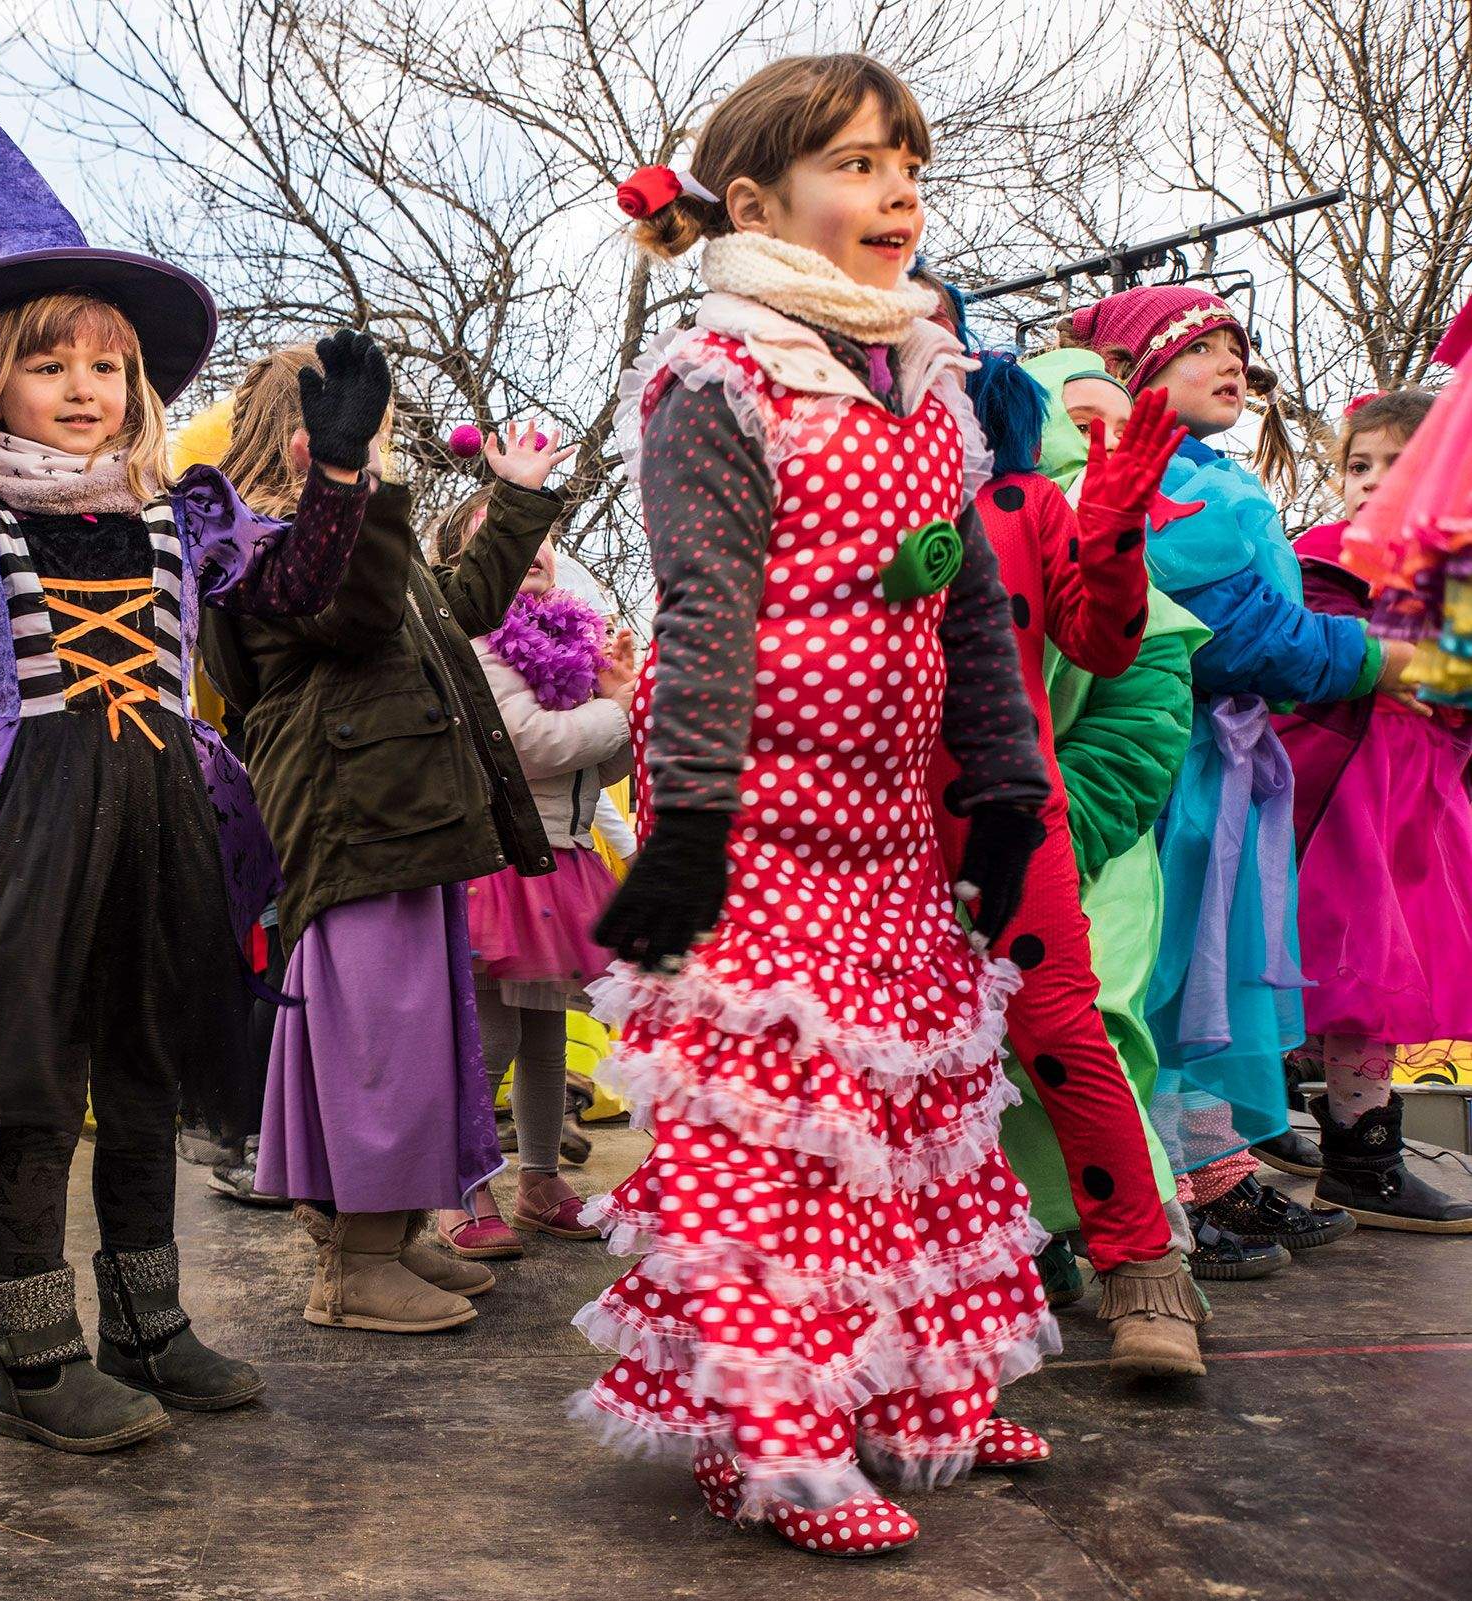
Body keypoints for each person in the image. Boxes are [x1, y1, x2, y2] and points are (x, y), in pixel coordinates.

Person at [0, 123, 383, 1454]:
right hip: (23, 829)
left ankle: (147, 1324)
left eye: (105, 363)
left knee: (147, 1079)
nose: (83, 385)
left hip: (162, 818)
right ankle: (34, 1355)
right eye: (48, 361)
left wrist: (333, 479)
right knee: (33, 1093)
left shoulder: (184, 511)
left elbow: (292, 592)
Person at [580, 55, 1057, 1556]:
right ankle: (774, 1436)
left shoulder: (923, 377)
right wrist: (691, 824)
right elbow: (704, 608)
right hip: (757, 817)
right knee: (774, 1137)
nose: (894, 190)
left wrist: (1002, 781)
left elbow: (970, 603)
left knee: (910, 1116)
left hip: (881, 832)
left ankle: (919, 1389)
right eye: (854, 164)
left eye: (904, 163)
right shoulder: (714, 380)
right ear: (753, 202)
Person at [198, 346, 559, 1332]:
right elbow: (346, 619)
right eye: (363, 420)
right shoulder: (257, 538)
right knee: (377, 1044)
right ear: (302, 429)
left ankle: (390, 1238)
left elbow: (457, 604)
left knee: (413, 1033)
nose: (379, 436)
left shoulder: (348, 527)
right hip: (351, 811)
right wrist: (342, 482)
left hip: (400, 807)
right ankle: (351, 1265)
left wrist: (513, 500)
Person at [1057, 286, 1403, 1267]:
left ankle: (1216, 1175)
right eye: (1199, 346)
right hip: (1173, 768)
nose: (1229, 363)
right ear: (1134, 374)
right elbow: (1239, 637)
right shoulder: (1163, 486)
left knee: (1208, 979)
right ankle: (1163, 1190)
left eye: (1235, 348)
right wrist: (1385, 654)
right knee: (1168, 976)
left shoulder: (1202, 473)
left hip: (1225, 765)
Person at [911, 292, 1215, 1377]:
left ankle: (1143, 1266)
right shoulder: (808, 492)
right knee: (881, 1060)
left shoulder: (1019, 498)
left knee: (1062, 1033)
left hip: (1009, 816)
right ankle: (918, 1278)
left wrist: (1116, 520)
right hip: (865, 825)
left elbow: (1104, 642)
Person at [1274, 389, 1472, 1231]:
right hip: (1324, 801)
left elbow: (1458, 683)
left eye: (1400, 466)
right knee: (1282, 964)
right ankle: (1222, 1138)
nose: (1372, 483)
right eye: (1358, 466)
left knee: (1371, 983)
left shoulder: (1453, 572)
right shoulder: (1315, 555)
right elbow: (1295, 656)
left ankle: (1362, 1154)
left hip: (1407, 812)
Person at [426, 495, 634, 1259]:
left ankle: (539, 1179)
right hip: (500, 862)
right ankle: (461, 1181)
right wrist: (618, 712)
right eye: (510, 536)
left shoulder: (569, 638)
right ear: (468, 562)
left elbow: (600, 760)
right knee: (492, 1030)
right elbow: (532, 743)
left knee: (547, 1031)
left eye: (545, 535)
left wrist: (621, 710)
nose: (536, 546)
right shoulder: (480, 640)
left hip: (560, 854)